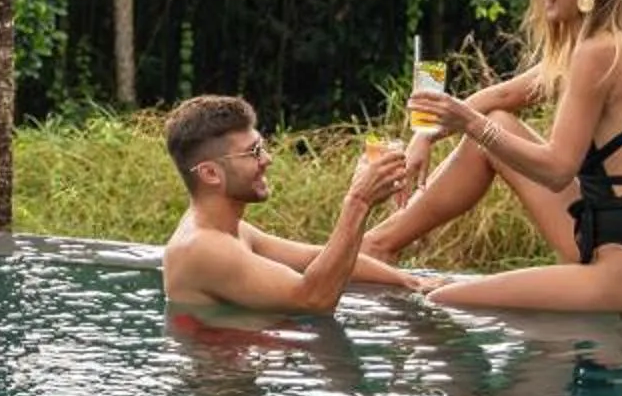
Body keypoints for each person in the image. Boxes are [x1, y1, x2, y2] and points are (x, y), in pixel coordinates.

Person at [368, 0, 622, 313]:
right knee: (496, 125)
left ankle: (378, 248)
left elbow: (558, 168)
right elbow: (496, 100)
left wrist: (470, 124)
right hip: (595, 231)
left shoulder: (599, 52)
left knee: (443, 301)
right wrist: (423, 136)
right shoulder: (586, 47)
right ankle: (379, 245)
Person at [158, 95, 427, 314]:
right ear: (210, 174)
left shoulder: (231, 230)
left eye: (261, 146)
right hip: (227, 380)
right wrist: (358, 201)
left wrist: (412, 283)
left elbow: (314, 258)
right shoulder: (202, 247)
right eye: (253, 152)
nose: (267, 159)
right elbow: (313, 300)